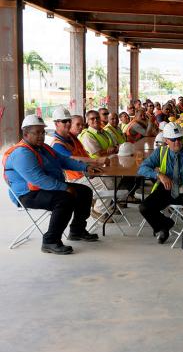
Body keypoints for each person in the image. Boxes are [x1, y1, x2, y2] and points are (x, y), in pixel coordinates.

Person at [3, 115, 101, 254]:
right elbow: (38, 179)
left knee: (84, 191)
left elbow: (64, 160)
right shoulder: (22, 153)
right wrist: (65, 187)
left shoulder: (43, 148)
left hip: (45, 188)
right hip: (27, 194)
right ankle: (50, 241)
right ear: (25, 134)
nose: (41, 136)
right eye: (37, 132)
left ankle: (77, 231)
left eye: (43, 132)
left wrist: (85, 167)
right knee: (64, 199)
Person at [137, 122, 183, 251]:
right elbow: (142, 168)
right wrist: (159, 175)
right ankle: (164, 225)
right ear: (166, 140)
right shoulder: (160, 152)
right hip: (166, 189)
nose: (177, 142)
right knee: (144, 207)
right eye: (173, 140)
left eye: (179, 139)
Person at [51, 107, 107, 181]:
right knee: (110, 180)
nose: (68, 123)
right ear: (56, 124)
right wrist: (96, 160)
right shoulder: (57, 144)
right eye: (64, 121)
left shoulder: (72, 137)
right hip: (76, 179)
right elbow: (71, 159)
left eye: (69, 121)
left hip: (88, 173)